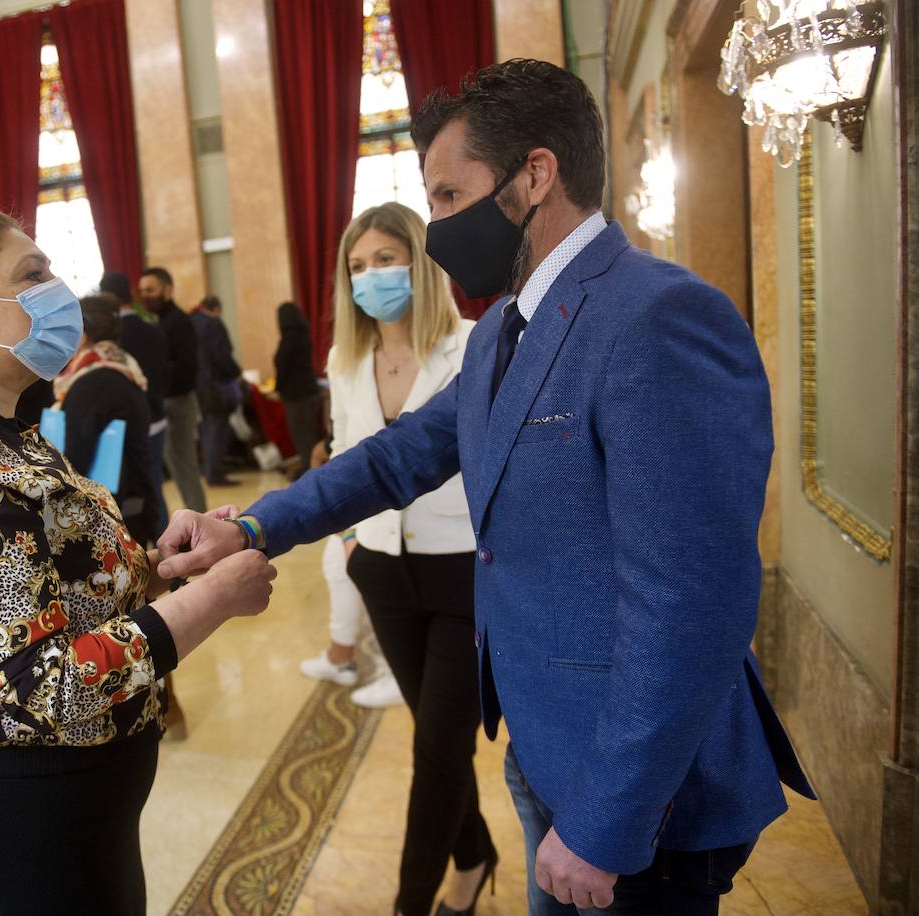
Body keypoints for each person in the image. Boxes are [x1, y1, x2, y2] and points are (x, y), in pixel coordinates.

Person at [158, 59, 814, 916]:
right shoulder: (505, 324)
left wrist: (609, 823)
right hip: (543, 744)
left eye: (446, 195)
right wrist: (248, 529)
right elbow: (397, 456)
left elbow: (692, 601)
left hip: (635, 790)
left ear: (535, 174)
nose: (437, 226)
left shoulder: (657, 317)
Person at [0, 207, 276, 915]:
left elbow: (54, 577)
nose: (57, 289)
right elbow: (40, 683)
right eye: (32, 275)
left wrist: (157, 563)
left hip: (66, 809)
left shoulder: (1, 428)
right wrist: (212, 601)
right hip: (13, 821)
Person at [299, 201, 491, 913]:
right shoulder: (345, 360)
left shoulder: (473, 346)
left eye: (384, 260)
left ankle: (415, 902)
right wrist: (351, 544)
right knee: (437, 738)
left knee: (438, 752)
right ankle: (474, 856)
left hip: (462, 567)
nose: (370, 276)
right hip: (382, 568)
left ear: (419, 260)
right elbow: (349, 458)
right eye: (356, 266)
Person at [55, 293, 160, 547]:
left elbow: (77, 457)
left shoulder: (93, 380)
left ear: (82, 334)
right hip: (135, 500)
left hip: (114, 514)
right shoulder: (122, 366)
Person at [104, 270, 170, 535]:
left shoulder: (112, 339)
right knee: (154, 484)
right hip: (157, 416)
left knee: (130, 489)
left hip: (127, 424)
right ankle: (167, 540)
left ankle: (136, 546)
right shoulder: (153, 329)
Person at [139, 267, 207, 513]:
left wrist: (157, 375)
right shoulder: (160, 322)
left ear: (167, 290)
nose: (146, 296)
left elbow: (186, 368)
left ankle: (199, 519)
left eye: (151, 290)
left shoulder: (179, 322)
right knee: (176, 466)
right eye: (143, 291)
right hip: (167, 401)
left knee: (184, 466)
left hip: (178, 401)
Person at [190, 295, 243, 486]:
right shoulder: (214, 324)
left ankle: (208, 470)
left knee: (205, 429)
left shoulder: (191, 322)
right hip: (215, 386)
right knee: (218, 429)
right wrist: (237, 372)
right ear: (216, 309)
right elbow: (222, 356)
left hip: (197, 387)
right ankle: (215, 474)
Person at [272, 302, 321, 479]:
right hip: (310, 390)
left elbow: (283, 367)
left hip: (297, 394)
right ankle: (311, 466)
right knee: (309, 432)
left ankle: (309, 470)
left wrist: (277, 389)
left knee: (301, 434)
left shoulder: (289, 339)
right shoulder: (303, 335)